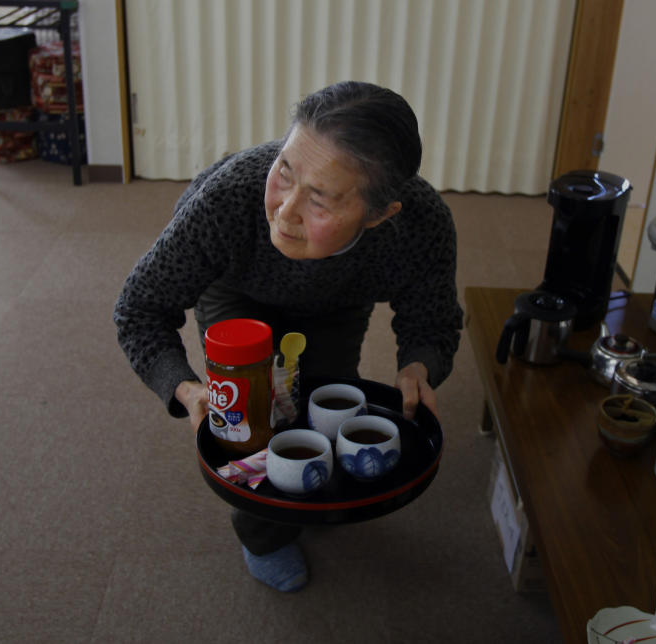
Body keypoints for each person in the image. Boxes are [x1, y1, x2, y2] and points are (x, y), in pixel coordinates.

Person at [113, 81, 463, 592]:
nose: (284, 208)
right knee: (253, 413)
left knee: (324, 400)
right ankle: (265, 537)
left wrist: (420, 365)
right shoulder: (229, 199)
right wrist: (185, 389)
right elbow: (139, 306)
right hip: (237, 287)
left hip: (339, 299)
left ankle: (310, 488)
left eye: (319, 199)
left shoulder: (421, 226)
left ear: (379, 215)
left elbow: (432, 319)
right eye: (285, 171)